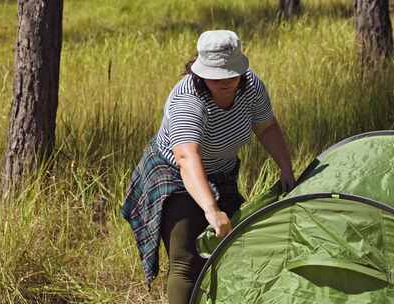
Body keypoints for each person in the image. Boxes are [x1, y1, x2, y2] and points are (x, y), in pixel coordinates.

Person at [122, 29, 295, 304]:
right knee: (187, 260)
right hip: (174, 175)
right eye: (216, 75)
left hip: (222, 172)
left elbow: (267, 127)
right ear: (201, 73)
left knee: (235, 248)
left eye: (231, 73)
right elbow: (187, 158)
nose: (225, 80)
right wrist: (211, 210)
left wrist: (287, 169)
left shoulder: (251, 87)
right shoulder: (187, 100)